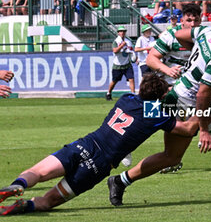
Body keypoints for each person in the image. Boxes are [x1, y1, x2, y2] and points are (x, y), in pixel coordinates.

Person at [107, 16, 211, 207]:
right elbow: (203, 94)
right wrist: (203, 130)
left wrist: (196, 55)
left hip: (180, 92)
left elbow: (180, 34)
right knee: (172, 156)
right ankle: (119, 179)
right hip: (188, 101)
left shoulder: (209, 32)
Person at [0, 73, 198, 215]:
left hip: (84, 145)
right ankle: (26, 205)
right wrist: (203, 107)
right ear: (160, 98)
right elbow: (188, 129)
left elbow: (147, 101)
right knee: (48, 201)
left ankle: (18, 184)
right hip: (98, 165)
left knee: (38, 172)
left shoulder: (126, 99)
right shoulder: (155, 115)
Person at [146, 3, 201, 173]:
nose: (192, 24)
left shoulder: (204, 38)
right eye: (188, 20)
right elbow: (150, 59)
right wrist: (167, 70)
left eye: (196, 20)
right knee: (146, 122)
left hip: (187, 91)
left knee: (186, 126)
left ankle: (173, 159)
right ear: (181, 21)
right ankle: (124, 150)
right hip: (164, 90)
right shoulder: (170, 36)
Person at [106, 25, 136, 101]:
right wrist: (122, 46)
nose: (122, 33)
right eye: (120, 31)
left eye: (123, 31)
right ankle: (108, 93)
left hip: (127, 64)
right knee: (114, 81)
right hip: (118, 65)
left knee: (131, 79)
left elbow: (131, 50)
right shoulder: (116, 41)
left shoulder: (128, 41)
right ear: (118, 33)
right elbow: (115, 50)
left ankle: (133, 95)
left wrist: (135, 57)